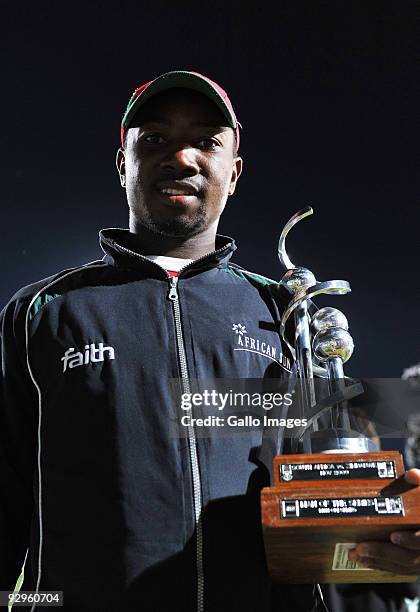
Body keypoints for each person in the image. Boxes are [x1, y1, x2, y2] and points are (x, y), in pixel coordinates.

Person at [0, 70, 419, 612]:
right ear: (122, 164)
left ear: (234, 172)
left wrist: (391, 545)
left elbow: (329, 502)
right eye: (154, 140)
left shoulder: (286, 313)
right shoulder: (43, 313)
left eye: (205, 141)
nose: (181, 158)